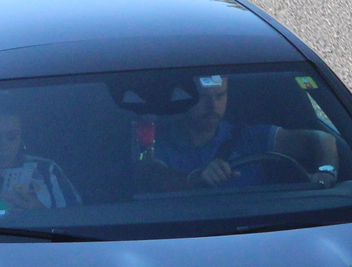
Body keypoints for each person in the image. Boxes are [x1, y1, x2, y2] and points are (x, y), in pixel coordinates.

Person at [140, 74, 339, 190]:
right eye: (203, 97)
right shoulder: (157, 142)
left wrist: (326, 172)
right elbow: (150, 175)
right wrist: (197, 178)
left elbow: (322, 139)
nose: (213, 105)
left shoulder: (250, 136)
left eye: (220, 95)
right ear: (184, 99)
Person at [0, 102, 81, 215]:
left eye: (11, 137)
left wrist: (40, 213)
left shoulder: (46, 170)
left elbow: (76, 217)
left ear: (20, 138)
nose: (3, 145)